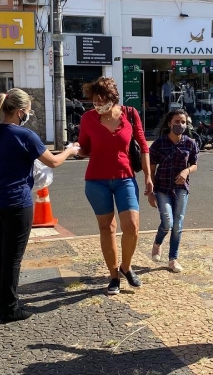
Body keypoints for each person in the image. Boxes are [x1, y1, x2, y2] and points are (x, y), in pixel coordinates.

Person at [0, 88, 79, 323]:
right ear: (19, 111)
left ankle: (1, 296)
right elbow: (54, 162)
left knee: (1, 253)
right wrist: (70, 150)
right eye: (28, 111)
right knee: (13, 258)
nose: (29, 114)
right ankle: (9, 308)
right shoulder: (25, 136)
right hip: (16, 202)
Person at [77, 76, 152, 295]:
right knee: (106, 228)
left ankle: (126, 267)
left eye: (102, 100)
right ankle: (113, 276)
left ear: (113, 98)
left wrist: (148, 176)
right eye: (94, 101)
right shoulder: (88, 118)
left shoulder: (130, 114)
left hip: (125, 178)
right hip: (96, 180)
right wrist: (76, 151)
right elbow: (84, 147)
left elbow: (144, 146)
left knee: (132, 227)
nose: (98, 105)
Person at [147, 109, 199, 273]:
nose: (180, 125)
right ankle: (157, 243)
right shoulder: (159, 143)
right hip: (162, 188)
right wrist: (150, 192)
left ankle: (173, 259)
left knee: (178, 225)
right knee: (167, 222)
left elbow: (194, 164)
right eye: (177, 122)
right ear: (170, 123)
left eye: (183, 122)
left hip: (181, 189)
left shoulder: (190, 143)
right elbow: (151, 169)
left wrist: (186, 171)